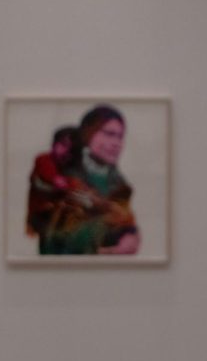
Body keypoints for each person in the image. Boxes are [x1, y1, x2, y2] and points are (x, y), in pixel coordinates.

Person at [36, 105, 140, 255]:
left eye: (120, 136)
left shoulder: (120, 185)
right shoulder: (66, 178)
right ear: (88, 133)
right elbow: (55, 239)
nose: (117, 143)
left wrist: (131, 236)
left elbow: (127, 221)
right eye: (109, 134)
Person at [25, 126, 80, 239]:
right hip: (40, 216)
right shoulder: (43, 159)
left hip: (59, 217)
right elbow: (56, 181)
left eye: (72, 149)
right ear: (54, 144)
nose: (66, 151)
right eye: (63, 145)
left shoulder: (69, 166)